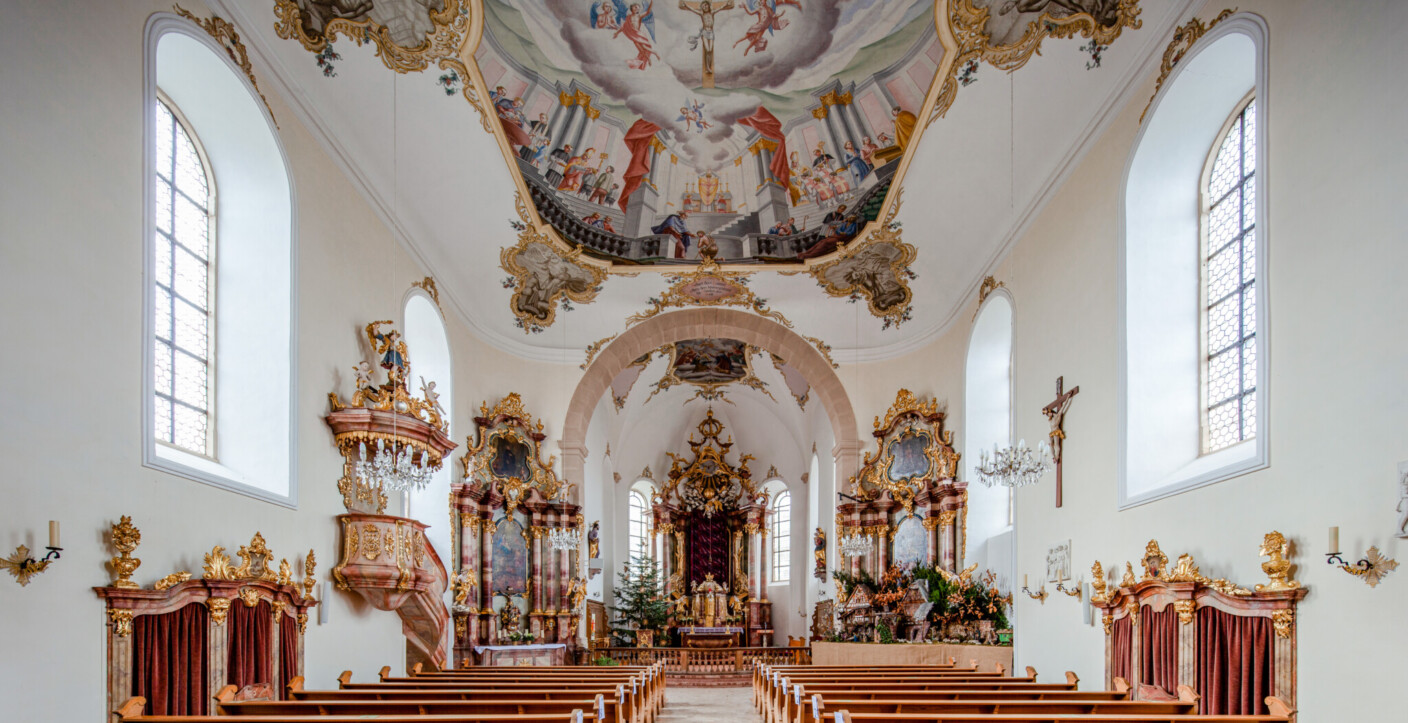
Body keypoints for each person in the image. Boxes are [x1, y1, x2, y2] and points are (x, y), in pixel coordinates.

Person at [614, 2, 659, 70]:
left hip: (639, 35)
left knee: (644, 47)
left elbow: (648, 11)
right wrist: (617, 33)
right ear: (631, 9)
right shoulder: (628, 17)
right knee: (641, 50)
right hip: (634, 36)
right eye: (635, 7)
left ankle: (654, 53)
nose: (637, 9)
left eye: (638, 8)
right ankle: (649, 59)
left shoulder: (639, 16)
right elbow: (624, 27)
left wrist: (651, 2)